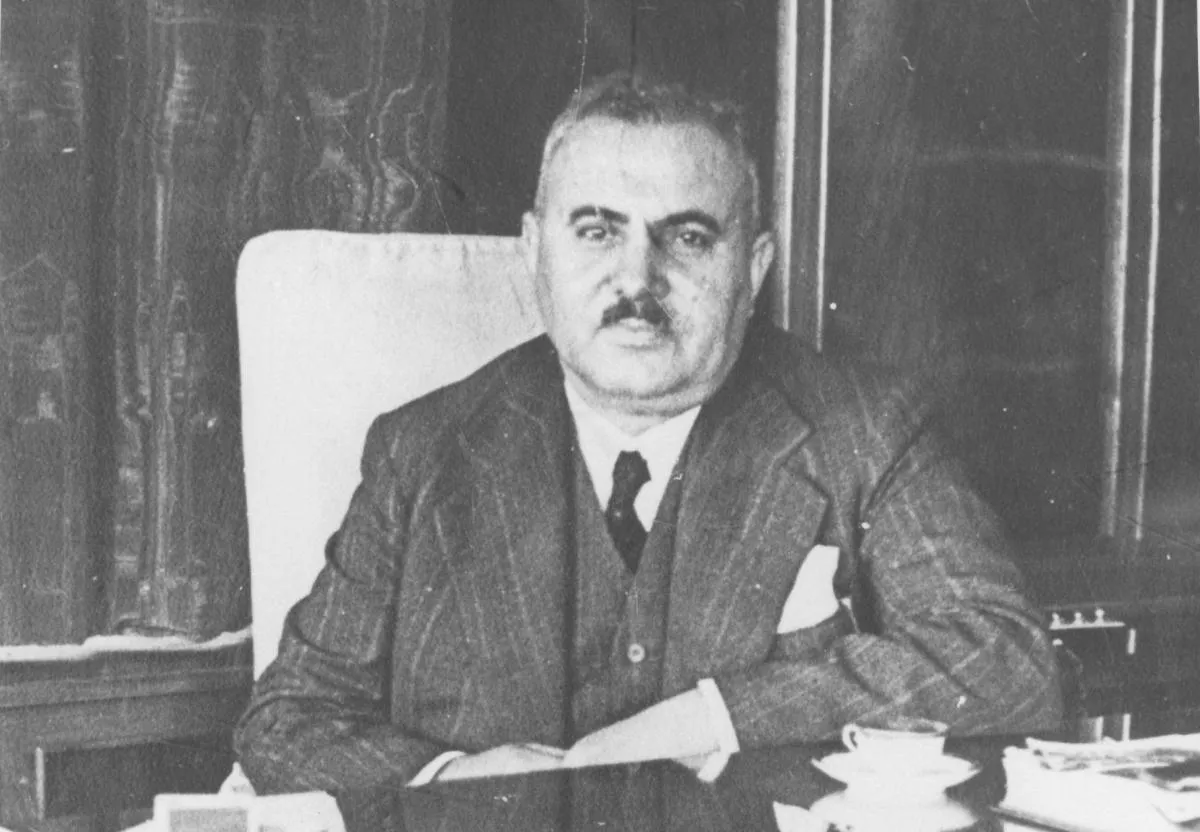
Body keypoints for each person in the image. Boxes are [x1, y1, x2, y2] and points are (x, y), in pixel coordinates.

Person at [234, 73, 1062, 829]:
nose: (638, 279)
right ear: (535, 251)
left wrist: (711, 718)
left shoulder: (867, 427)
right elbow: (286, 721)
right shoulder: (423, 451)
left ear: (754, 268)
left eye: (689, 238)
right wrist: (456, 777)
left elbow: (1009, 659)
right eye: (597, 231)